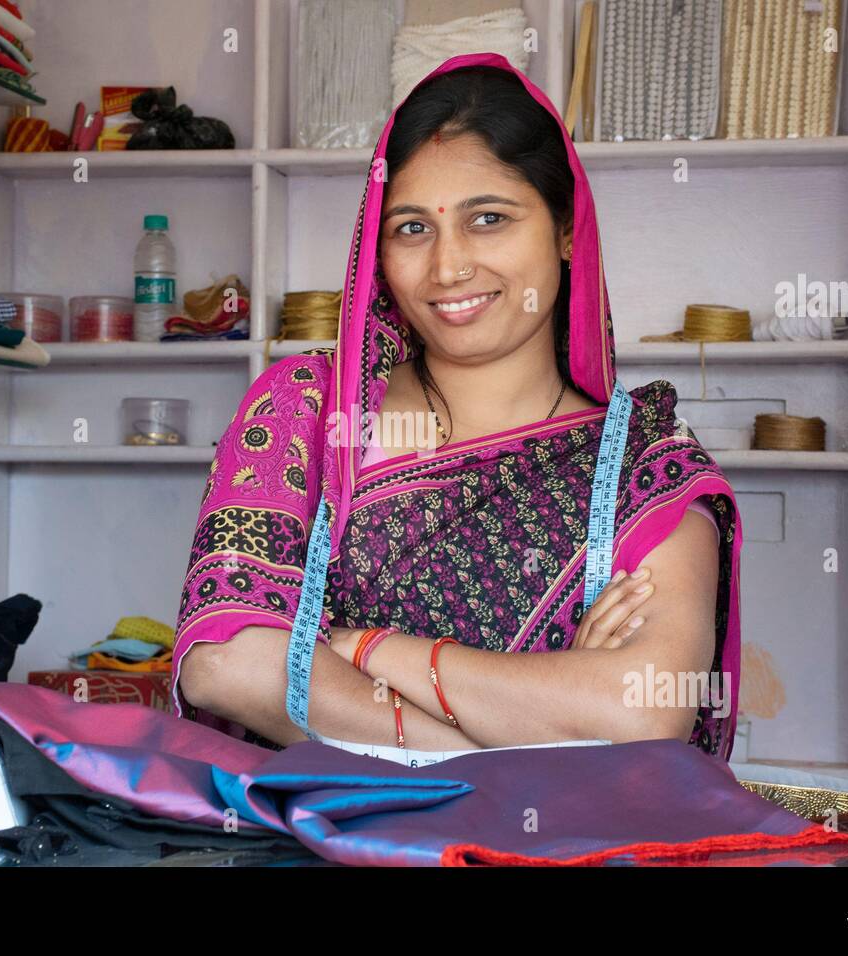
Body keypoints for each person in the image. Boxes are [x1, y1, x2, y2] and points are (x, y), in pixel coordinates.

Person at [172, 52, 742, 761]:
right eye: (412, 228)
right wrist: (533, 724)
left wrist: (368, 651)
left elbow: (642, 713)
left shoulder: (644, 463)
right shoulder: (308, 411)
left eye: (488, 219)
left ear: (567, 230)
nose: (447, 268)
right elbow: (226, 664)